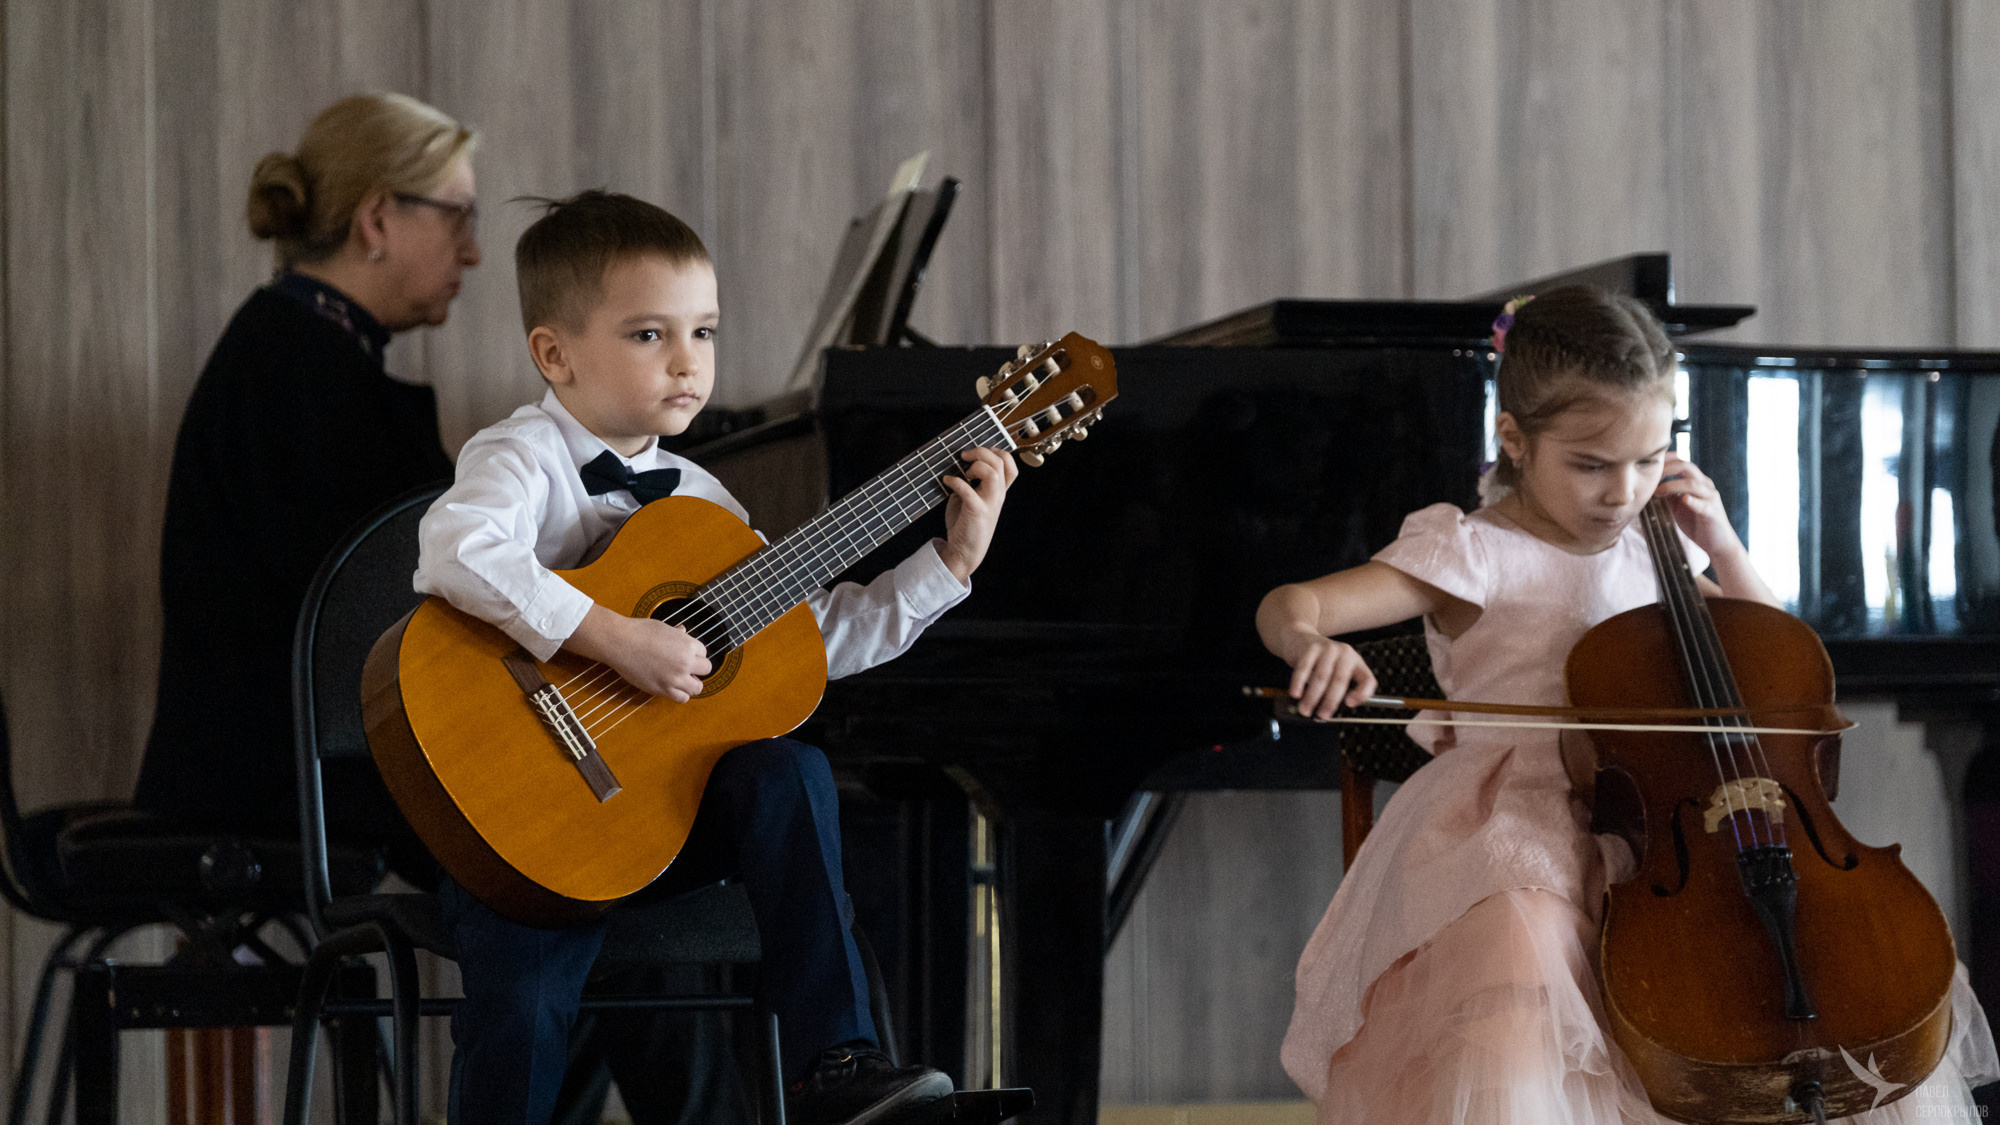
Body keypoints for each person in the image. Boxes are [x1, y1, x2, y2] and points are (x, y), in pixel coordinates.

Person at [1258, 285, 1999, 1123]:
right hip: (1520, 824)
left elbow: (1777, 660)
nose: (1625, 491)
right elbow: (1291, 602)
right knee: (1527, 940)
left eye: (1651, 458)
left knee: (1827, 959)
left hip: (1669, 837)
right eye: (1591, 463)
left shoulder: (1664, 544)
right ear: (1515, 439)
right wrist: (1309, 642)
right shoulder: (1472, 551)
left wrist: (1719, 541)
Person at [412, 190, 1016, 1125]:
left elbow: (805, 646)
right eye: (650, 334)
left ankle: (835, 1064)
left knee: (788, 767)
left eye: (705, 331)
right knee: (525, 1011)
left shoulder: (703, 501)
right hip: (522, 815)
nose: (688, 360)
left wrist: (948, 563)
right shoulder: (521, 456)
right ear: (554, 353)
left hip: (660, 822)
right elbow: (456, 551)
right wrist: (615, 635)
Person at [137, 92, 478, 858]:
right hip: (281, 778)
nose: (473, 250)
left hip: (247, 764)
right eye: (458, 214)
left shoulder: (290, 346)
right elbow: (407, 594)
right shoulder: (308, 375)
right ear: (379, 218)